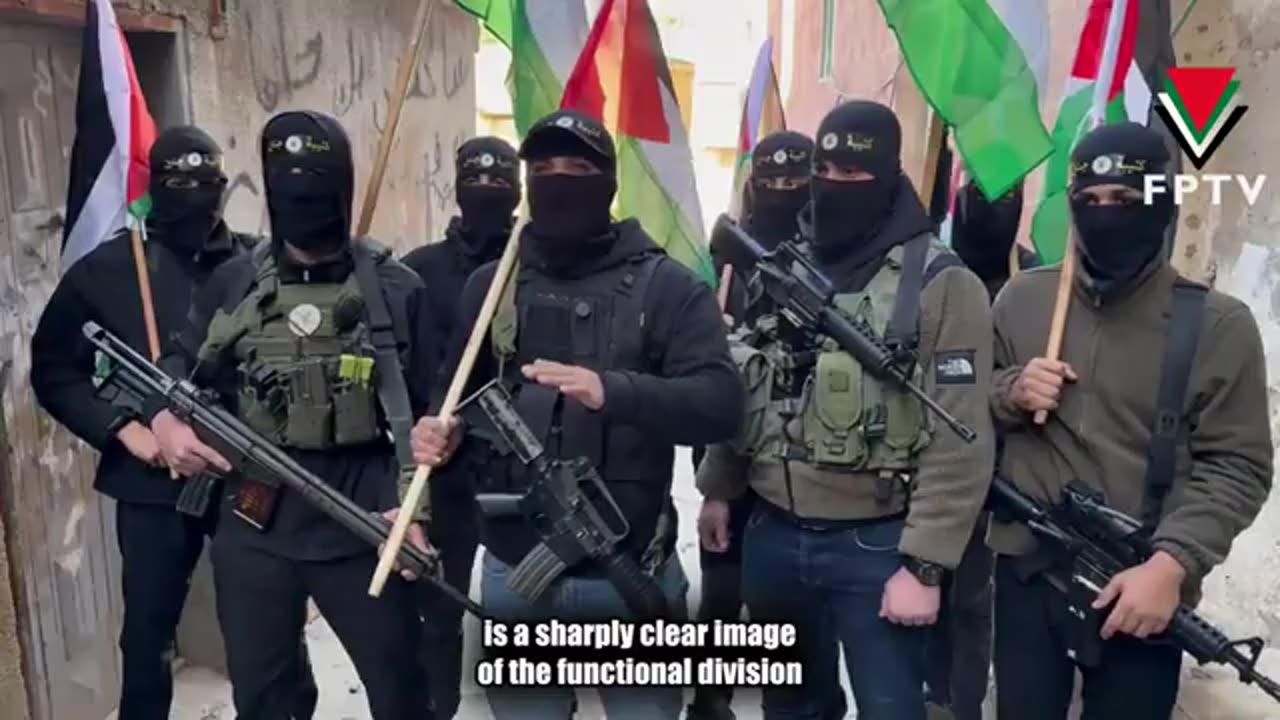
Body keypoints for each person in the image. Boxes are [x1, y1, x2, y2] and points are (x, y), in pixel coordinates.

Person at [408, 109, 744, 720]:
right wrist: (439, 434)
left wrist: (612, 391)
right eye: (542, 168)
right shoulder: (493, 285)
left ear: (608, 182)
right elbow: (451, 400)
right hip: (517, 572)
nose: (558, 180)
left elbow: (721, 405)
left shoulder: (666, 287)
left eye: (578, 168)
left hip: (629, 571)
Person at [697, 99, 996, 720]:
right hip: (773, 533)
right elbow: (754, 381)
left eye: (855, 176)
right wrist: (720, 487)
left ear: (889, 178)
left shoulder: (941, 283)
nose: (835, 187)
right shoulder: (782, 265)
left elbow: (960, 437)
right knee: (792, 708)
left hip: (877, 542)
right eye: (825, 172)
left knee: (890, 708)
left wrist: (926, 563)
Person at [142, 111, 435, 720]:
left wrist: (418, 509)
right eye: (287, 182)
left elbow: (434, 415)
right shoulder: (236, 282)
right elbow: (177, 367)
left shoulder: (394, 290)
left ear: (345, 186)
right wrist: (165, 424)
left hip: (362, 518)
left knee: (403, 692)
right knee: (265, 696)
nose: (303, 197)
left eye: (318, 181)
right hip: (255, 519)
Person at [30, 127, 321, 720]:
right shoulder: (107, 270)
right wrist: (128, 432)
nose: (195, 198)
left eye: (207, 184)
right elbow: (55, 371)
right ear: (152, 187)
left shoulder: (259, 266)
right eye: (178, 185)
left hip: (250, 478)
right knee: (148, 633)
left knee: (271, 625)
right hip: (153, 484)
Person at [988, 122, 1273, 719]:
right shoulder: (1023, 301)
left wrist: (1172, 565)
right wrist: (1011, 391)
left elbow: (1239, 466)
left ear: (1162, 203)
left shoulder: (1217, 326)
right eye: (1089, 201)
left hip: (1138, 586)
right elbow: (964, 413)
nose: (1105, 214)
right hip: (1028, 573)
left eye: (1124, 199)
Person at [690, 130, 847, 720]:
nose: (783, 195)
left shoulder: (836, 256)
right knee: (724, 592)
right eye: (771, 184)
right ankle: (710, 704)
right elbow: (704, 373)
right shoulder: (724, 257)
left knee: (799, 609)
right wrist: (714, 486)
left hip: (806, 457)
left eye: (795, 184)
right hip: (730, 451)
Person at [401, 135, 520, 719]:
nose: (489, 193)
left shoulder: (537, 268)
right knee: (438, 606)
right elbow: (400, 368)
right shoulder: (418, 272)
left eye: (502, 182)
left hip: (515, 466)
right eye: (477, 180)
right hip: (442, 465)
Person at [923, 178, 1038, 720]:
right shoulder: (929, 270)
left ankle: (960, 702)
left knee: (972, 600)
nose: (993, 209)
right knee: (922, 588)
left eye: (1008, 198)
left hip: (1004, 475)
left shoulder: (1035, 283)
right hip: (932, 464)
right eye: (981, 194)